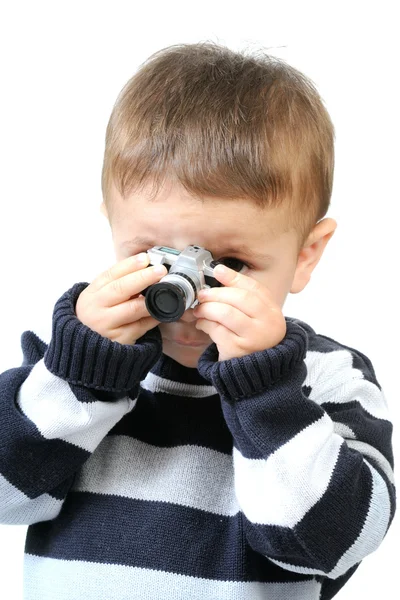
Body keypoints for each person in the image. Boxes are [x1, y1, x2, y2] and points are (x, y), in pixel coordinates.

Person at [0, 42, 395, 600]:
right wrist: (78, 374)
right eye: (158, 257)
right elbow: (6, 497)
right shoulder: (65, 366)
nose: (185, 295)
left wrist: (266, 395)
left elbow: (329, 546)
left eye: (230, 265)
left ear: (306, 254)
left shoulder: (327, 377)